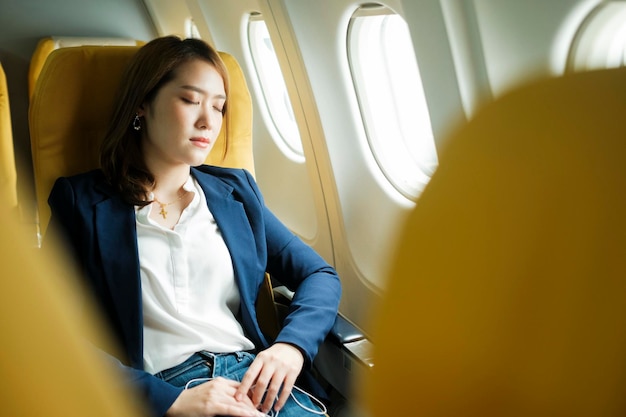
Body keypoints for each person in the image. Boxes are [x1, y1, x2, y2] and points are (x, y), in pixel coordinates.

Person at [46, 36, 341, 417]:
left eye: (218, 108)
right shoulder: (81, 201)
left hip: (256, 382)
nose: (208, 121)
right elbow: (48, 331)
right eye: (190, 100)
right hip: (164, 391)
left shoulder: (236, 193)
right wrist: (172, 401)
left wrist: (291, 347)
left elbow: (319, 273)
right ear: (142, 103)